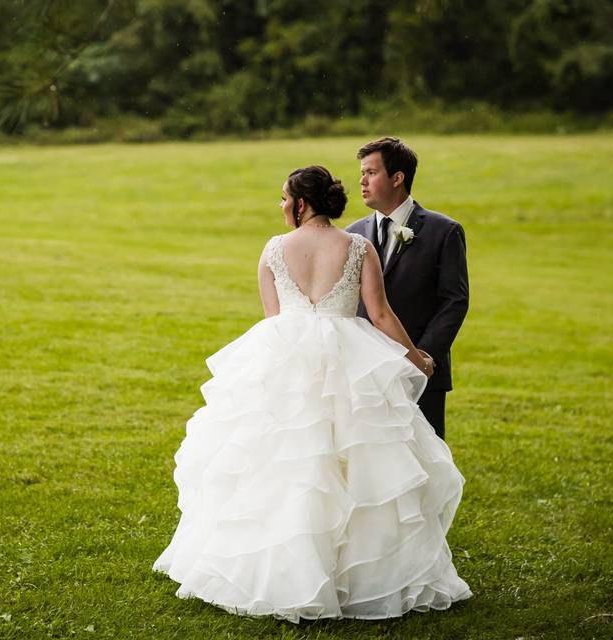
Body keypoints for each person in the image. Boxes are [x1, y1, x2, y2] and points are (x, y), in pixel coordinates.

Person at [153, 166, 471, 622]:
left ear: (301, 204)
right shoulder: (359, 246)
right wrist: (415, 357)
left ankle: (280, 568)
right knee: (357, 460)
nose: (282, 207)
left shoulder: (273, 250)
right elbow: (380, 316)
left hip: (287, 359)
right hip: (349, 355)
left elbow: (275, 317)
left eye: (285, 199)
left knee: (282, 463)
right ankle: (362, 575)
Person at [346, 137, 469, 440]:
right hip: (365, 370)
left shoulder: (444, 231)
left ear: (397, 178)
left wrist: (422, 356)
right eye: (361, 173)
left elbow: (454, 301)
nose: (362, 181)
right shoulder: (352, 235)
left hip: (422, 370)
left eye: (371, 173)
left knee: (425, 459)